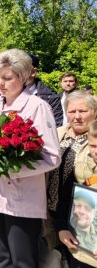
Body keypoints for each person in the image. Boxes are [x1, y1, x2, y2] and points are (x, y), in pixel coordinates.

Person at [0, 49, 61, 268]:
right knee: (3, 260)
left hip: (22, 200)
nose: (0, 83)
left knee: (22, 261)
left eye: (7, 78)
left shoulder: (38, 107)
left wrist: (10, 169)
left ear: (25, 76)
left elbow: (52, 157)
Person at [47, 91, 97, 267]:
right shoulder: (57, 134)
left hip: (81, 216)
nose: (77, 117)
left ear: (95, 111)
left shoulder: (94, 141)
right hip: (52, 211)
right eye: (72, 111)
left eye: (82, 111)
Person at [26, 54, 63, 127]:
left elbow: (57, 128)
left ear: (33, 72)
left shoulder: (52, 98)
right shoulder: (6, 96)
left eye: (21, 69)